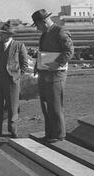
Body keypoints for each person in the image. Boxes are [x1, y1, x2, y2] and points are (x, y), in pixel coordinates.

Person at [31, 9, 74, 142]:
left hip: (56, 75)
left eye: (37, 25)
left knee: (55, 105)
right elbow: (42, 51)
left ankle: (59, 135)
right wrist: (37, 66)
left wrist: (56, 63)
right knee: (45, 105)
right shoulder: (45, 33)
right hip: (44, 73)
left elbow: (69, 51)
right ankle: (50, 133)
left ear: (44, 21)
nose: (37, 28)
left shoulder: (60, 31)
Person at [0, 21, 28, 138]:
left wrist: (16, 76)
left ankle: (13, 131)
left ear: (9, 35)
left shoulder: (19, 45)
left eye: (2, 33)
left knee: (13, 107)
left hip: (12, 82)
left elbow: (24, 64)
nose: (0, 35)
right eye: (0, 33)